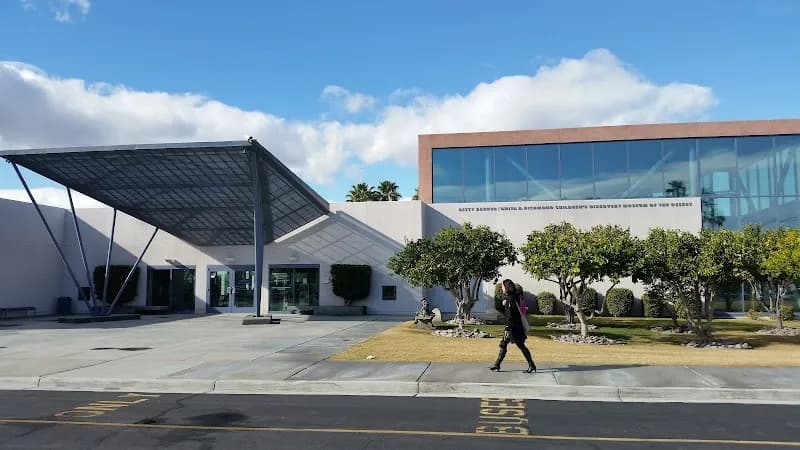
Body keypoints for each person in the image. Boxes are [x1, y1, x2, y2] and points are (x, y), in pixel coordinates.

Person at [489, 279, 536, 373]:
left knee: (520, 345)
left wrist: (507, 328)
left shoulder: (511, 299)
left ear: (507, 288)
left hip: (513, 328)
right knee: (504, 344)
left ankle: (531, 365)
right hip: (513, 327)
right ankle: (497, 364)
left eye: (503, 287)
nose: (502, 289)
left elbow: (511, 315)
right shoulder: (512, 297)